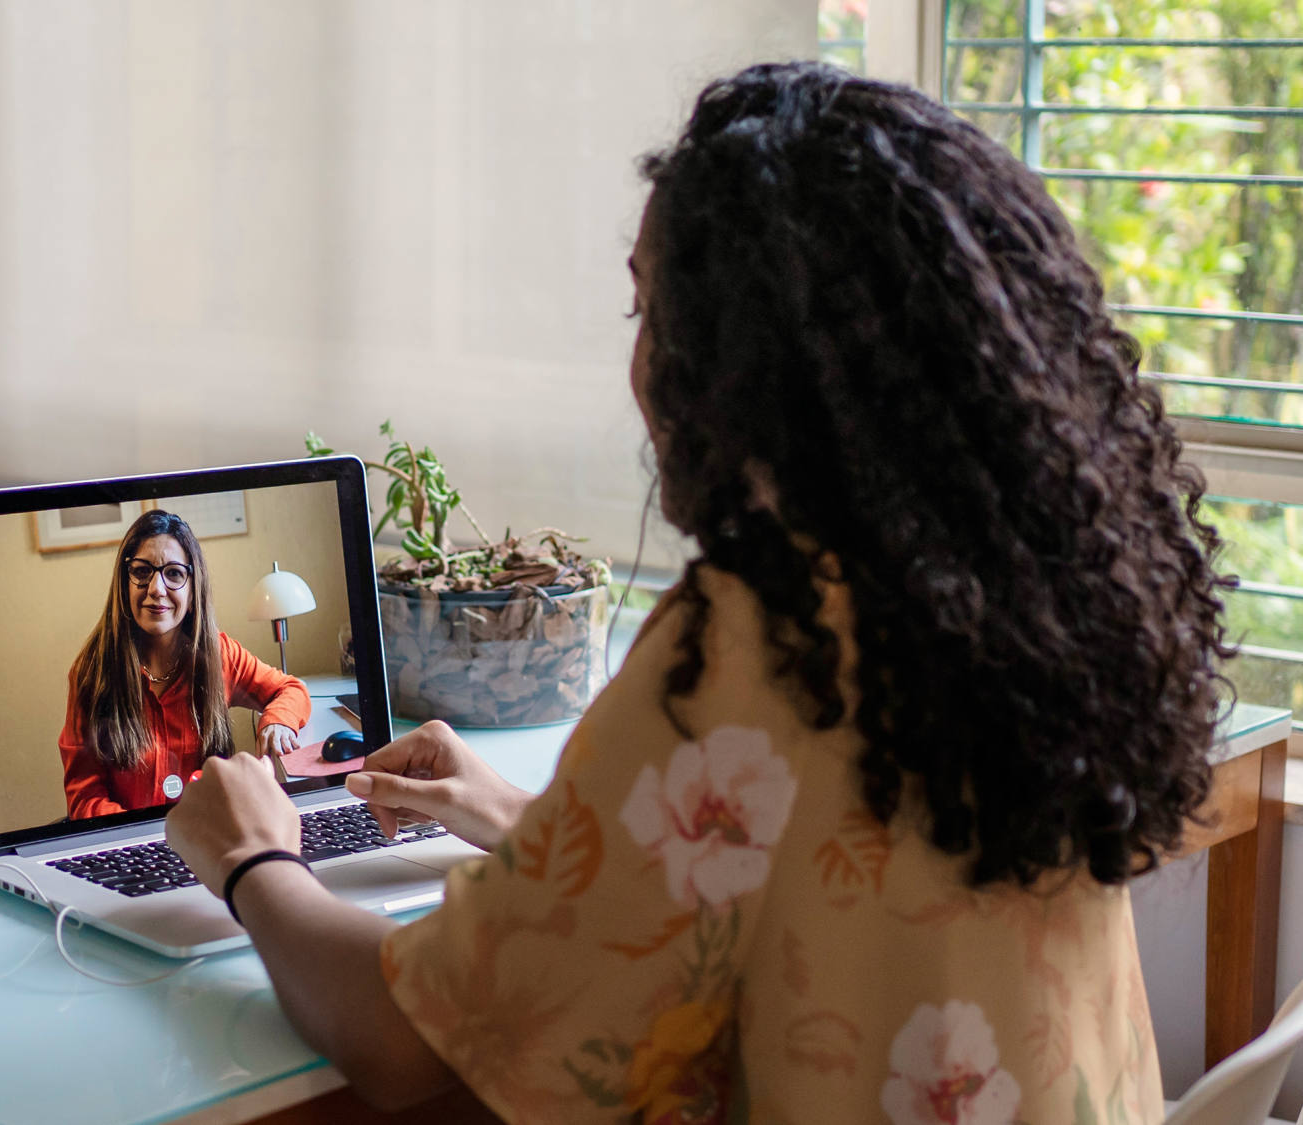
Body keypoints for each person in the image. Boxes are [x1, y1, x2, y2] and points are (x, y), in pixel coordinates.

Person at [166, 62, 1230, 1123]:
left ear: (750, 357)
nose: (637, 359)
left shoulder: (766, 637)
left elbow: (399, 1044)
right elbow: (832, 866)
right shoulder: (1005, 596)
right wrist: (532, 825)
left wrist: (254, 860)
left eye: (649, 306)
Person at [59, 508, 310, 819]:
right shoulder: (91, 672)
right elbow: (84, 796)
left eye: (174, 573)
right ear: (124, 582)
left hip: (209, 838)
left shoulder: (220, 654)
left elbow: (290, 689)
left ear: (194, 589)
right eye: (142, 572)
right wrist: (141, 838)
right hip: (131, 847)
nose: (156, 589)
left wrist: (276, 721)